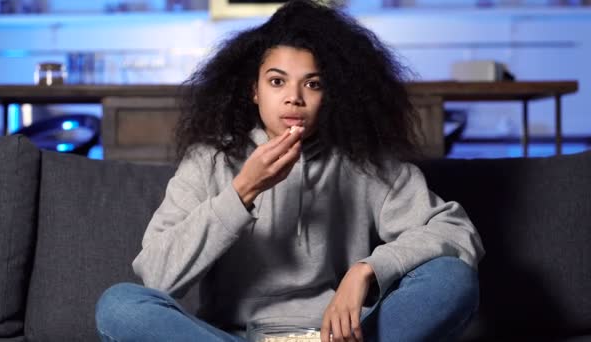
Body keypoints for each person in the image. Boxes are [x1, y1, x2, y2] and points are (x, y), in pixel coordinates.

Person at [95, 0, 485, 341]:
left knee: (453, 279)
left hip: (340, 337)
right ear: (254, 90)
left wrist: (366, 271)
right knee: (120, 305)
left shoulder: (364, 162)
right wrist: (241, 192)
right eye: (277, 81)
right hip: (234, 337)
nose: (293, 98)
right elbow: (156, 276)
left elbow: (457, 231)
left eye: (312, 84)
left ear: (331, 94)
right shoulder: (210, 160)